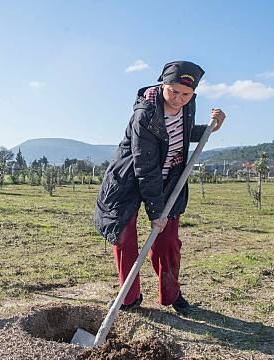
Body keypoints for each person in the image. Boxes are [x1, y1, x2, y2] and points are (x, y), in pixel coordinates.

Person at [94, 60, 226, 314]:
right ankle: (129, 297)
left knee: (167, 241)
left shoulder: (187, 106)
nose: (178, 99)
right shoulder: (145, 115)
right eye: (173, 91)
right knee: (124, 238)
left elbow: (180, 134)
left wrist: (211, 128)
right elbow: (146, 167)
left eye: (186, 94)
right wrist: (156, 212)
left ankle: (171, 293)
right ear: (162, 84)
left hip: (168, 182)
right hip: (130, 180)